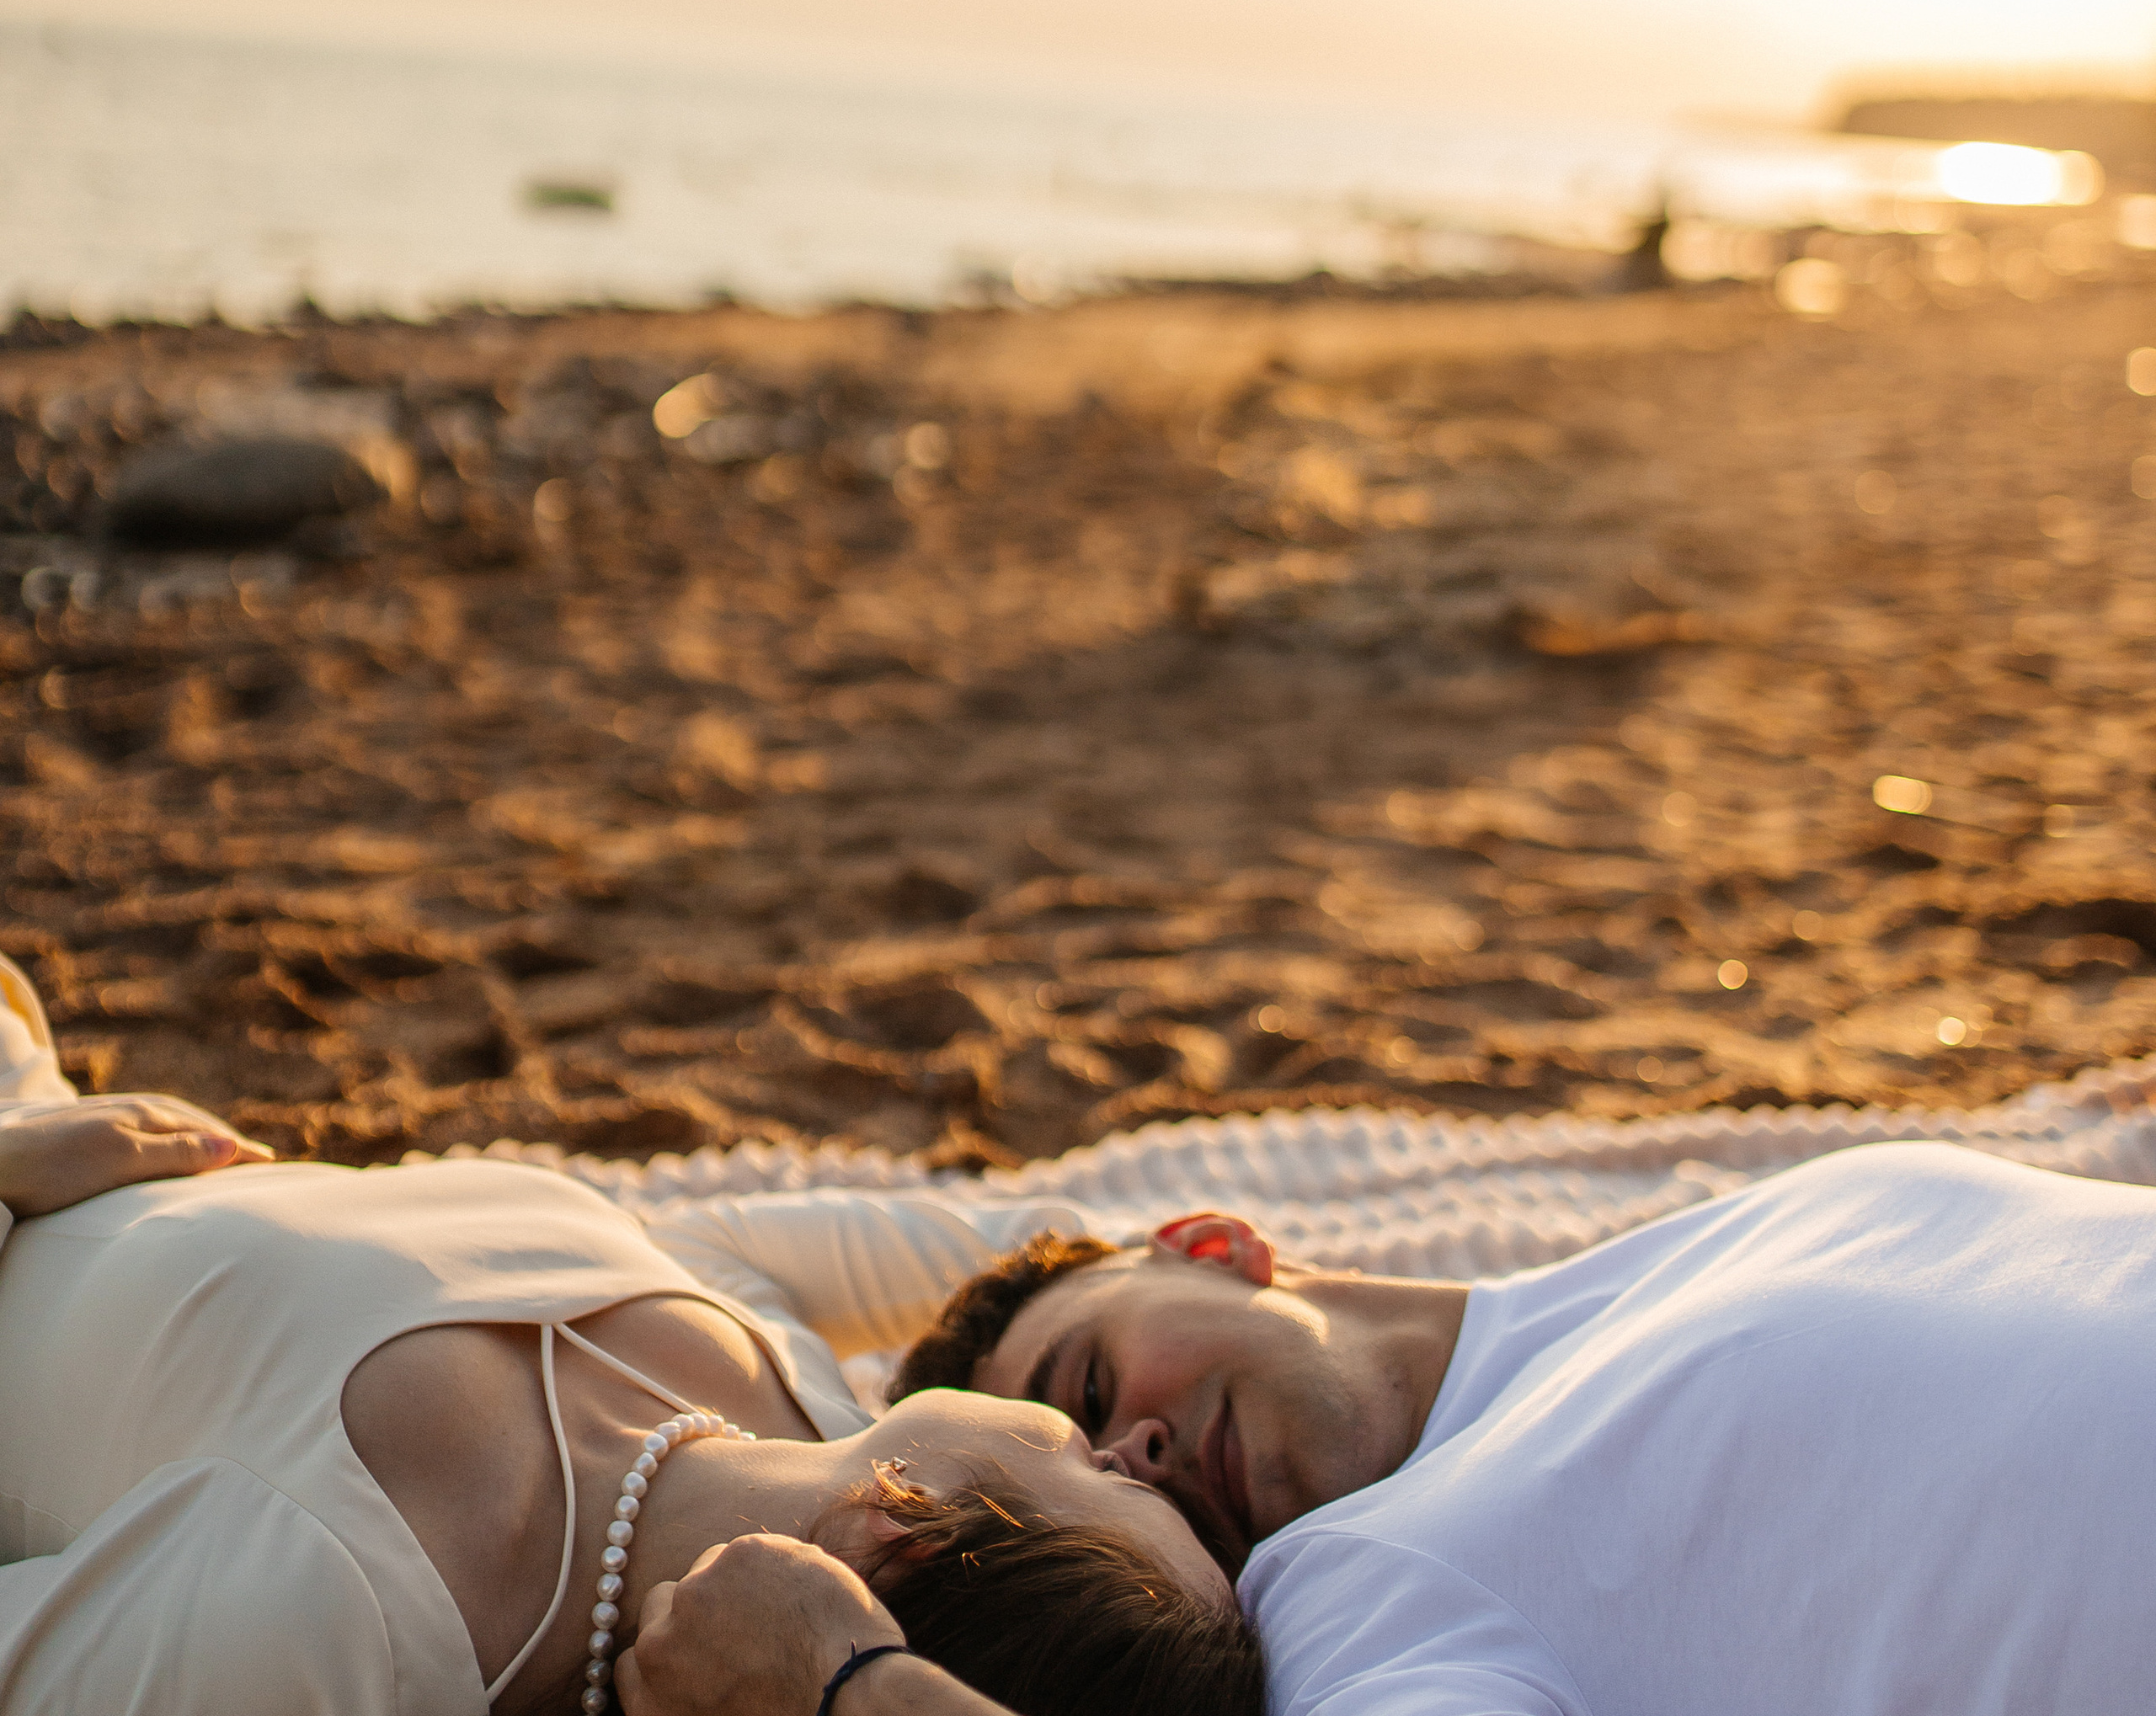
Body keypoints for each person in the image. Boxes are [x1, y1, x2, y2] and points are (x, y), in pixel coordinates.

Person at [0, 954, 1261, 1716]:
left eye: (1103, 1479)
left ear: (903, 1530)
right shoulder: (786, 1391)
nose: (1122, 1451)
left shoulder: (330, 1624)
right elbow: (1050, 1241)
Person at [894, 1146, 2156, 1715]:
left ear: (1212, 1245)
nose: (1136, 1457)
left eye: (1091, 1390)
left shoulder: (1709, 1236)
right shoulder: (1360, 1602)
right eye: (1092, 1483)